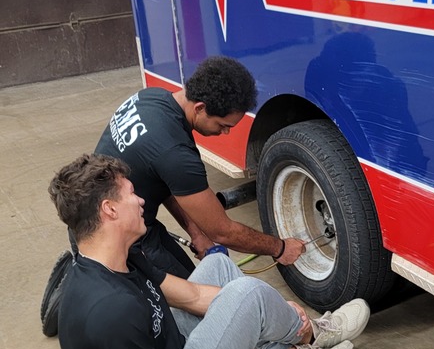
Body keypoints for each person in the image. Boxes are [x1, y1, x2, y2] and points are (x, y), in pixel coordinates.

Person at [47, 154, 370, 349]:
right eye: (132, 193)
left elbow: (192, 296)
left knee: (220, 268)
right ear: (110, 209)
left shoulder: (116, 257)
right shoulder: (111, 311)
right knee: (247, 294)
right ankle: (311, 335)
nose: (141, 200)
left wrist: (276, 311)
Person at [94, 55, 306, 277]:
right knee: (194, 299)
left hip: (104, 214)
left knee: (191, 277)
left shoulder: (151, 97)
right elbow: (223, 232)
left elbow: (165, 180)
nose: (225, 132)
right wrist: (280, 248)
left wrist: (196, 232)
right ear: (200, 108)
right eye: (223, 125)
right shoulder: (176, 153)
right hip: (111, 240)